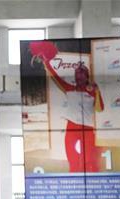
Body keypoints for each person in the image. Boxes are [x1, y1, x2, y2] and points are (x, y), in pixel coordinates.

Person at [31, 42, 104, 173]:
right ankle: (73, 181)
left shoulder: (92, 91)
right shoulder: (69, 89)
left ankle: (91, 183)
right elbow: (55, 77)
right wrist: (46, 63)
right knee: (72, 158)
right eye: (77, 75)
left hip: (87, 128)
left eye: (82, 74)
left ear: (86, 77)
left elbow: (100, 109)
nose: (78, 77)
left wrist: (97, 92)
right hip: (71, 126)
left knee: (88, 159)